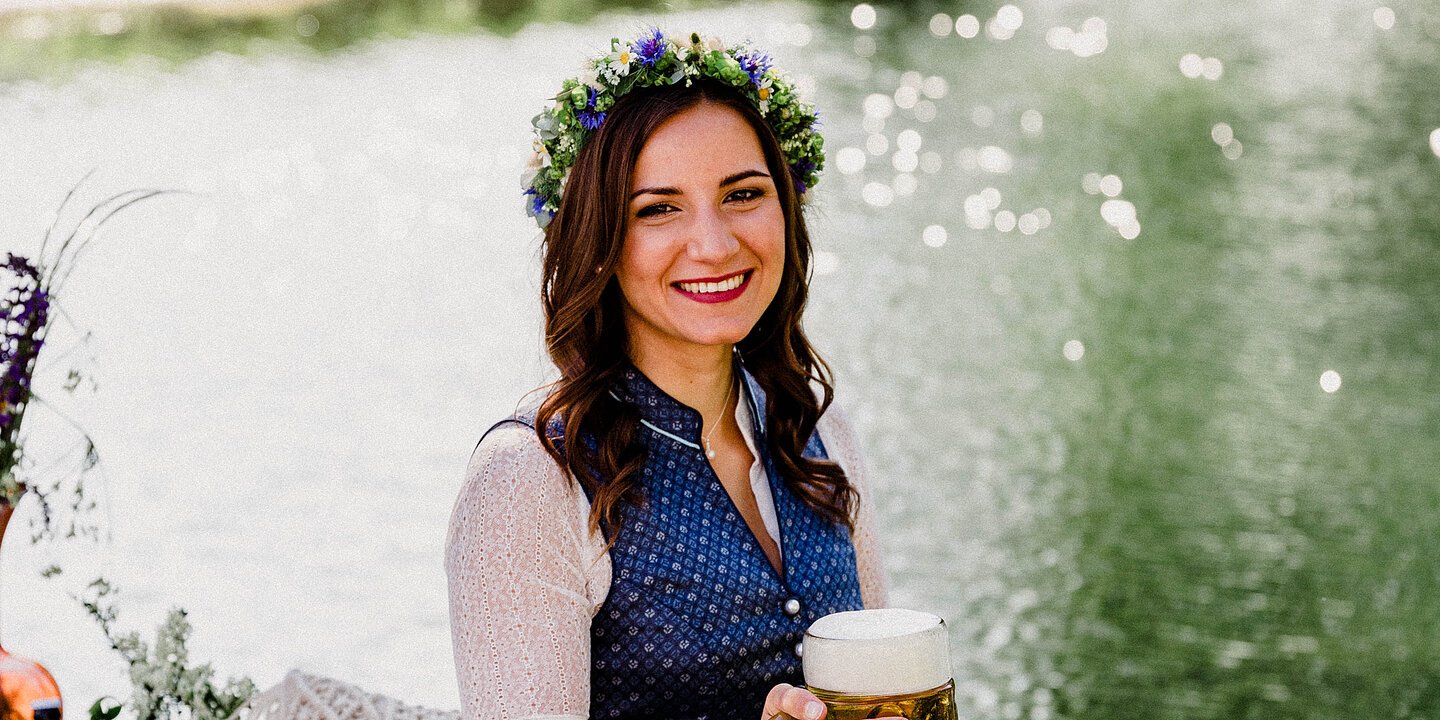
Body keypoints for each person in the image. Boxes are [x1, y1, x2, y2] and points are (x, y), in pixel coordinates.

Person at [445, 29, 890, 720]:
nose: (714, 244)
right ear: (597, 237)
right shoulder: (531, 479)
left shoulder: (822, 432)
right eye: (658, 209)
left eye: (743, 194)